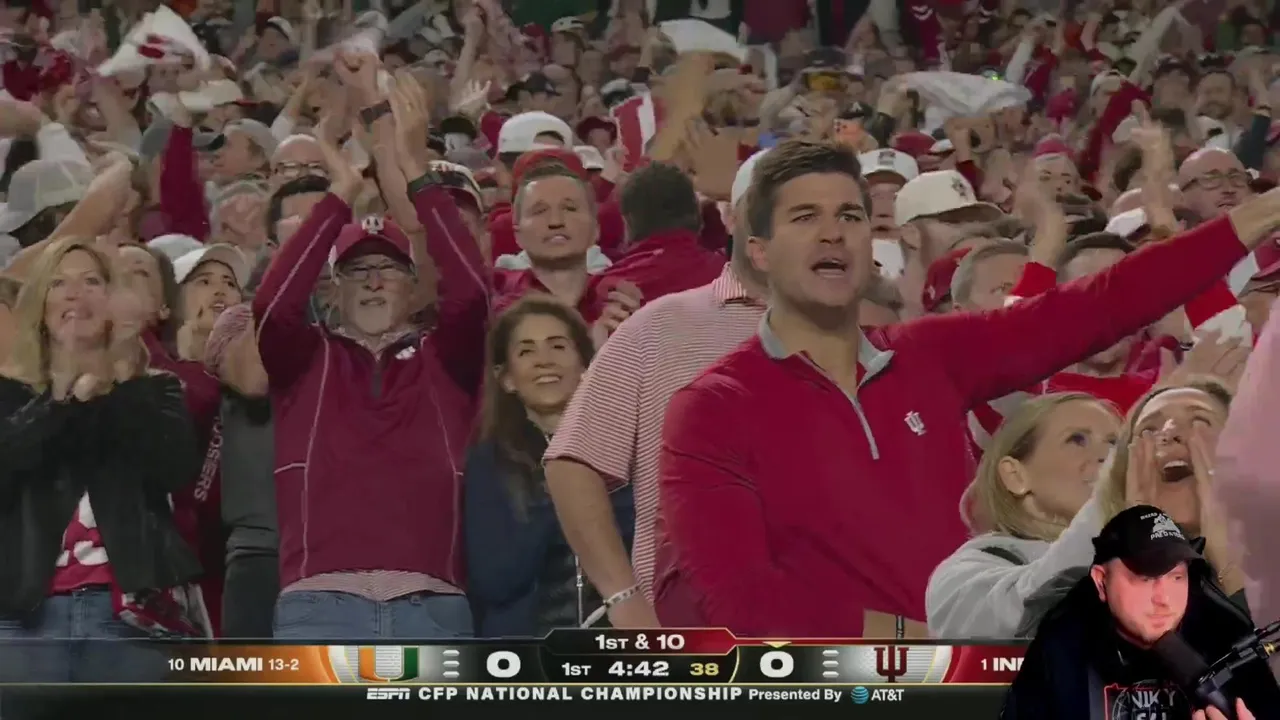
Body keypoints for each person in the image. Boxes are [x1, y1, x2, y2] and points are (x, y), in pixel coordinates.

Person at [655, 139, 1280, 637]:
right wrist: (932, 644)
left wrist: (1262, 211)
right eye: (804, 217)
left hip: (974, 684)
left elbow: (1102, 304)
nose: (833, 232)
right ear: (758, 251)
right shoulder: (712, 408)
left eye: (849, 215)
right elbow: (744, 602)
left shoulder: (929, 354)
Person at [253, 53, 488, 640]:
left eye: (389, 269)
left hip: (432, 602)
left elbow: (471, 291)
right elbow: (273, 305)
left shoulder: (445, 355)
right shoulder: (305, 358)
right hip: (318, 602)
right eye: (359, 270)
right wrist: (340, 193)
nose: (376, 280)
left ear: (413, 287)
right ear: (334, 288)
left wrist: (414, 170)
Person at [543, 149, 772, 628]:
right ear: (727, 220)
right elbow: (571, 462)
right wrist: (624, 599)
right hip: (689, 630)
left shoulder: (871, 330)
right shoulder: (658, 323)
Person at [0, 238, 203, 686]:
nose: (75, 294)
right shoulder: (9, 393)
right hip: (21, 622)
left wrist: (117, 376)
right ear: (40, 306)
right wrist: (62, 398)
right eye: (59, 283)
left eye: (92, 281)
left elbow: (172, 466)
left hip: (131, 620)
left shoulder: (154, 389)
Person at [1001, 506, 1280, 720]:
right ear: (1101, 582)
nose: (1164, 600)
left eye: (1176, 578)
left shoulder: (1226, 636)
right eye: (1145, 579)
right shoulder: (1061, 648)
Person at [465, 296, 633, 636]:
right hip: (528, 652)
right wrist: (563, 494)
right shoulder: (491, 461)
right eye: (526, 351)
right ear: (507, 379)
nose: (544, 361)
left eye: (557, 346)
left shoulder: (626, 452)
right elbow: (495, 579)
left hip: (622, 647)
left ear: (585, 365)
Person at [927, 393, 1120, 639]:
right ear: (1016, 476)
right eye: (1077, 439)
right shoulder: (963, 573)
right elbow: (1023, 614)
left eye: (1115, 443)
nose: (1107, 455)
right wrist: (1104, 500)